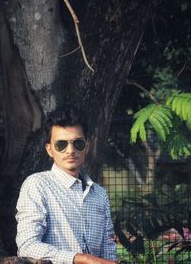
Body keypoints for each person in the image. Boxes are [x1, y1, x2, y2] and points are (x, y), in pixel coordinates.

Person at [15, 105, 117, 264]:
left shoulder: (99, 194)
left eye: (78, 143)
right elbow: (27, 246)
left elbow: (109, 252)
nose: (70, 150)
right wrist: (80, 258)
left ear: (87, 146)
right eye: (61, 144)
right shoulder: (37, 185)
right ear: (49, 150)